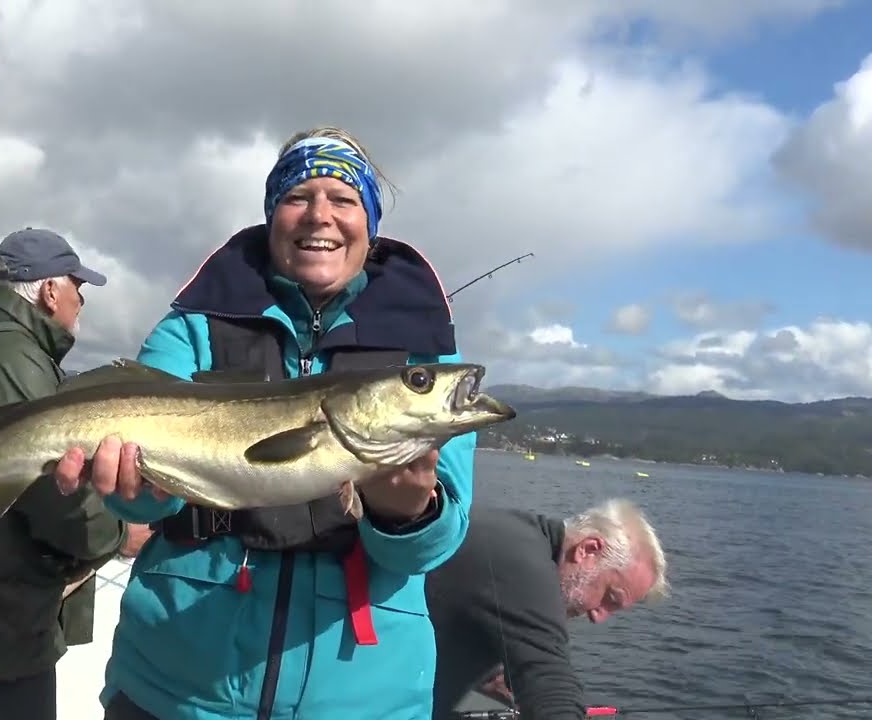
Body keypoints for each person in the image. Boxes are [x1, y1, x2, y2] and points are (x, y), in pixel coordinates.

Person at [52, 126, 478, 720]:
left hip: (362, 701)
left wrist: (407, 514)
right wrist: (137, 493)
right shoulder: (194, 325)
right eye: (297, 196)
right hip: (176, 691)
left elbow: (432, 547)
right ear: (273, 213)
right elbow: (144, 506)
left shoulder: (424, 360)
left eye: (344, 199)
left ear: (370, 222)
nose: (319, 216)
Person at [0, 227, 153, 720]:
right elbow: (49, 486)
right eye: (78, 289)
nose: (81, 302)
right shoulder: (10, 360)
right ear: (49, 291)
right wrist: (121, 532)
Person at [427, 500, 669, 720]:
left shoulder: (516, 535)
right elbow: (552, 684)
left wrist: (481, 680)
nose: (599, 616)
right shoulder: (525, 569)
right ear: (588, 549)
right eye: (610, 597)